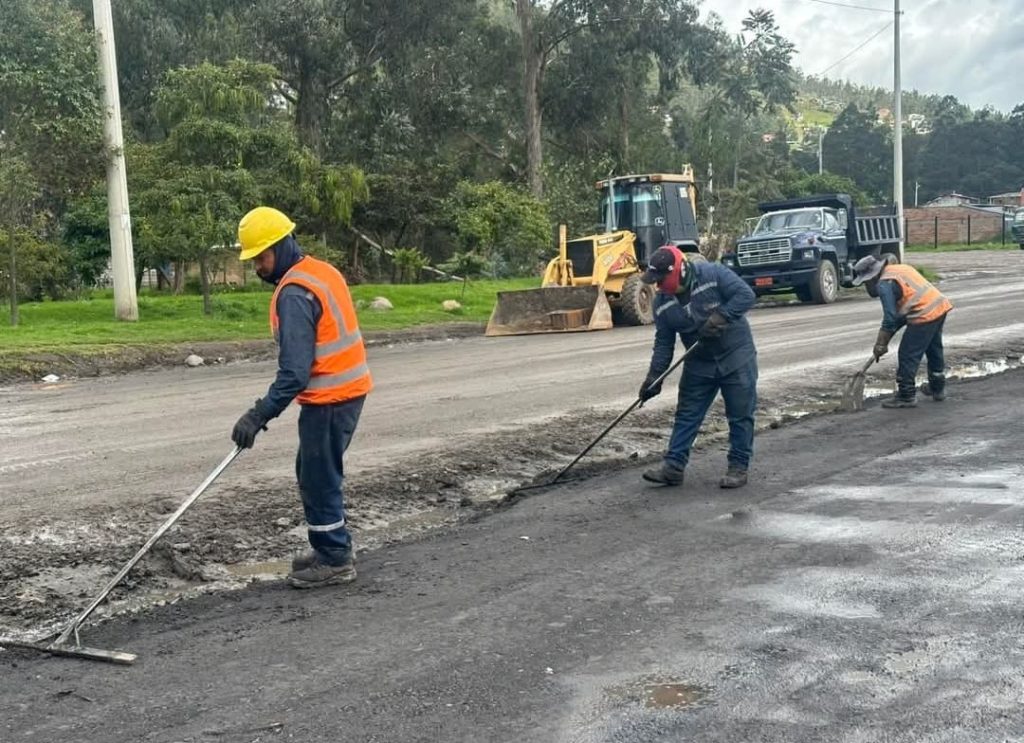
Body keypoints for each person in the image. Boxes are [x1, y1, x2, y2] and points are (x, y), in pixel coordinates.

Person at [231, 207, 372, 588]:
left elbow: (294, 372)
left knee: (318, 477)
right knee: (313, 471)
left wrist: (258, 415)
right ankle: (330, 545)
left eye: (261, 257)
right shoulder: (320, 271)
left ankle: (335, 559)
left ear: (282, 245)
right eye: (254, 260)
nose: (258, 267)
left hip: (331, 397)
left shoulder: (294, 293)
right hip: (346, 392)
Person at [638, 246, 758, 488]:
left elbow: (745, 295)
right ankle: (673, 467)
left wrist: (722, 316)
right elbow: (663, 344)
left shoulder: (713, 275)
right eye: (656, 282)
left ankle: (738, 467)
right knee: (687, 414)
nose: (659, 286)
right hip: (699, 362)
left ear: (679, 271)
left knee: (740, 414)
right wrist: (654, 378)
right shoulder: (662, 303)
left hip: (736, 355)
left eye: (662, 280)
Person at [852, 255, 952, 408]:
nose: (867, 286)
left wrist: (881, 343)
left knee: (907, 353)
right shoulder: (899, 269)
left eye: (866, 282)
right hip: (939, 307)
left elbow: (890, 318)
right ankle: (938, 388)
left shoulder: (884, 284)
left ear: (872, 276)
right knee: (934, 349)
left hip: (923, 314)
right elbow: (900, 315)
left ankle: (906, 395)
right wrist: (884, 341)